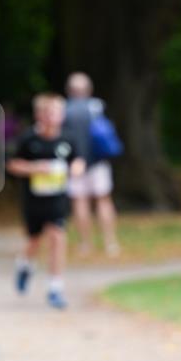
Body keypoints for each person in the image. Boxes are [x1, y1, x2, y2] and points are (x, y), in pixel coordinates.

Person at [7, 92, 86, 309]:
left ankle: (55, 287)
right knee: (34, 240)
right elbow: (13, 164)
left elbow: (78, 160)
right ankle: (24, 265)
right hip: (34, 200)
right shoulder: (28, 139)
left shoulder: (68, 138)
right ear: (39, 115)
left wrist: (76, 169)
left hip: (57, 199)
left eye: (57, 112)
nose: (52, 117)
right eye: (48, 112)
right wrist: (34, 168)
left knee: (57, 237)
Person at [64, 72, 121, 258]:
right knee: (103, 200)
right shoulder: (97, 106)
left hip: (75, 163)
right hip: (98, 161)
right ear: (89, 89)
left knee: (80, 202)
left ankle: (85, 244)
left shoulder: (64, 110)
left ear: (69, 90)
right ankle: (110, 242)